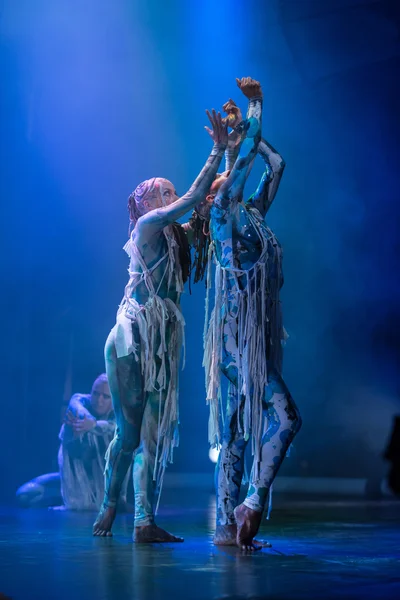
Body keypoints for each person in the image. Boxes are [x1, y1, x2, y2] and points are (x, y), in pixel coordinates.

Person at [92, 109, 228, 541]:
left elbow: (208, 202)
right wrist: (216, 151)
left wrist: (234, 152)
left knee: (154, 430)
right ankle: (110, 504)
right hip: (133, 337)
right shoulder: (147, 227)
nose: (171, 195)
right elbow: (193, 199)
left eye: (171, 190)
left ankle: (143, 521)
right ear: (147, 202)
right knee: (127, 433)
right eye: (163, 192)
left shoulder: (175, 235)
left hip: (162, 337)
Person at [188, 77, 302, 550]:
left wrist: (240, 139)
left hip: (250, 343)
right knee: (286, 417)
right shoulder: (219, 218)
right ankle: (251, 503)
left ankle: (224, 530)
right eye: (223, 181)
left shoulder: (251, 216)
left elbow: (274, 162)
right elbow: (250, 155)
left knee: (236, 431)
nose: (228, 179)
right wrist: (255, 107)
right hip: (237, 345)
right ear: (214, 197)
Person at [16, 374, 126, 510]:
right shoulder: (79, 405)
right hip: (74, 484)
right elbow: (77, 451)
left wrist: (93, 426)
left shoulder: (119, 414)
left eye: (106, 396)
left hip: (103, 486)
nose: (99, 400)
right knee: (25, 494)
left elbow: (114, 427)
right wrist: (78, 432)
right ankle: (65, 500)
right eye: (95, 394)